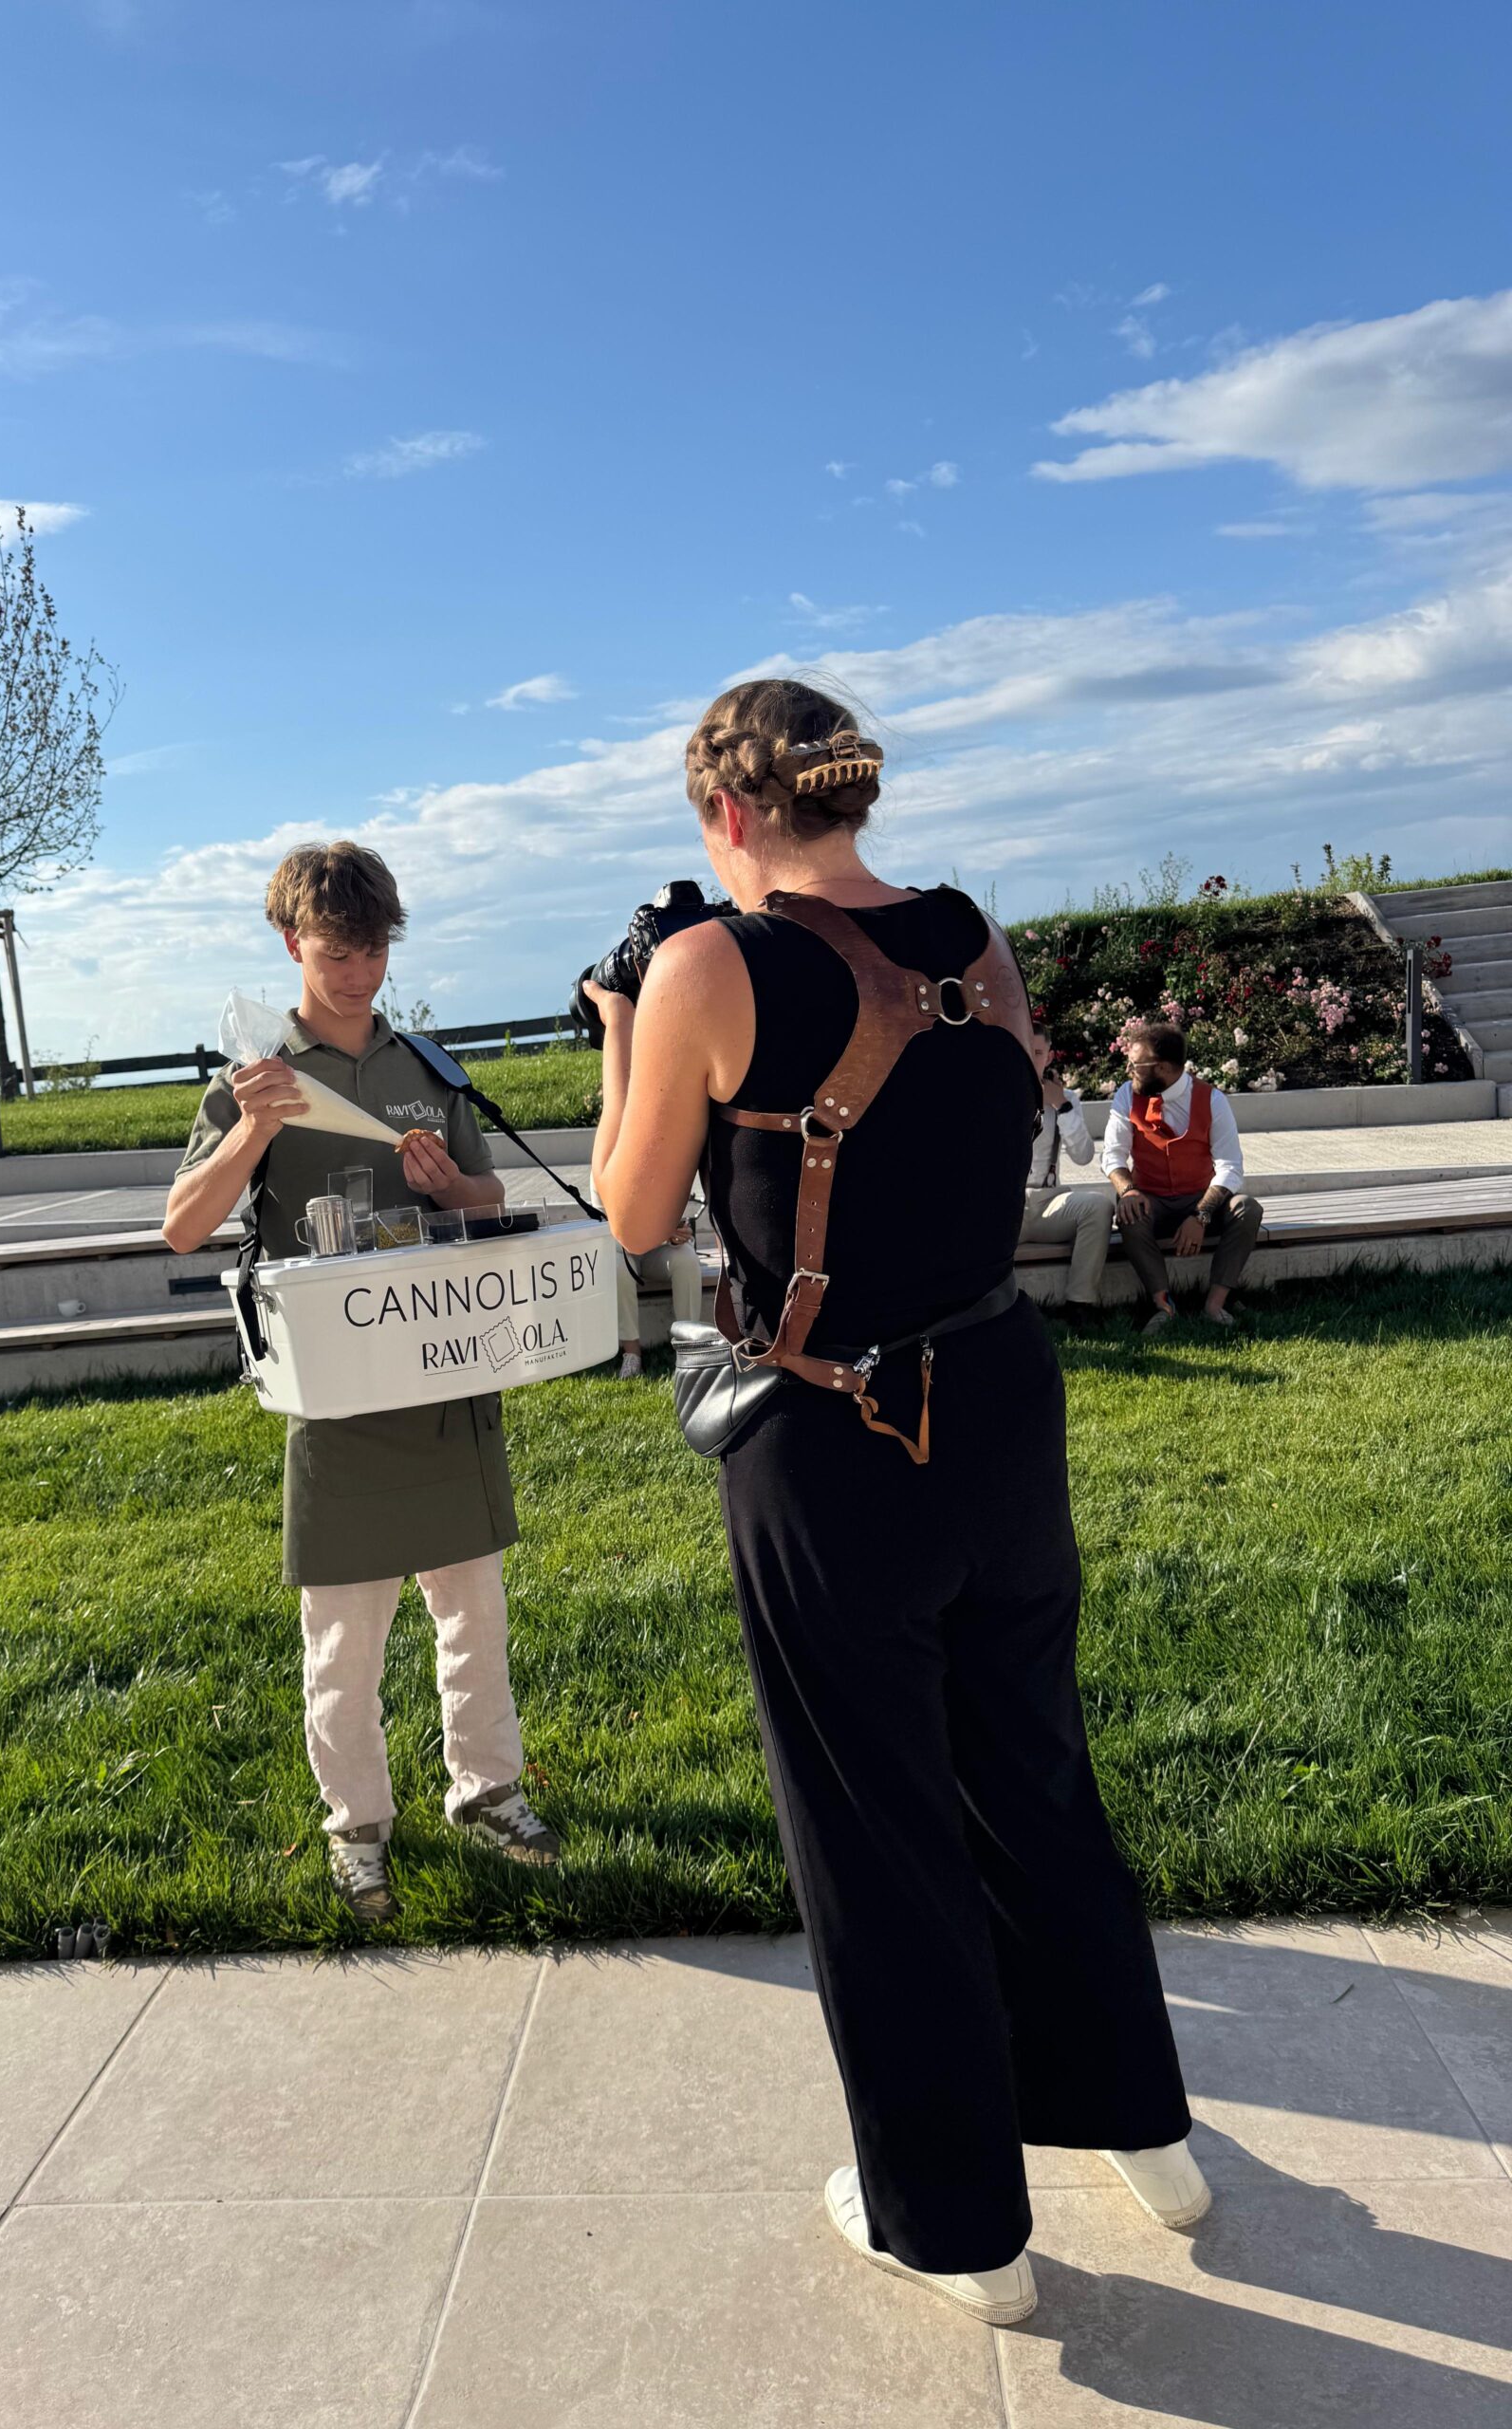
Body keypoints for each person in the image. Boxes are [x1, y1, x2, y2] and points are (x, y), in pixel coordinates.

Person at [587, 678, 1202, 2327]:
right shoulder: (968, 931)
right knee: (1034, 1772)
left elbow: (634, 1213)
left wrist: (623, 1022)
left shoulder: (709, 964)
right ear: (847, 791)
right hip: (1000, 1396)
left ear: (727, 812)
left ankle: (957, 2227)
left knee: (876, 1828)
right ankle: (1142, 2128)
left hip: (836, 1431)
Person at [162, 841, 561, 1923]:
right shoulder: (255, 1080)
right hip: (337, 1397)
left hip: (445, 1379)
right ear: (290, 942)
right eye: (338, 952)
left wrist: (453, 1186)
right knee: (343, 1637)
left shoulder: (427, 1070)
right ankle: (358, 1828)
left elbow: (490, 1201)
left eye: (376, 950)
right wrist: (253, 1128)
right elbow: (183, 1227)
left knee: (474, 1612)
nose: (360, 973)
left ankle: (489, 1793)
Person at [1100, 1022, 1264, 1337]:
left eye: (1135, 1064)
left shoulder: (1212, 1099)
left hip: (1200, 1198)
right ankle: (1164, 1306)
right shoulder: (1126, 1095)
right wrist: (1129, 1191)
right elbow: (1112, 1155)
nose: (1128, 1071)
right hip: (1151, 1199)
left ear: (1162, 1067)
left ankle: (1215, 1304)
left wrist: (1201, 1215)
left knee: (1248, 1208)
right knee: (1129, 1213)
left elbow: (1230, 1167)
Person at [1023, 1022, 1112, 1321]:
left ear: (1049, 1057)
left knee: (1098, 1206)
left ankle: (1079, 1304)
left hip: (1049, 1201)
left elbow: (1083, 1156)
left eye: (1038, 1053)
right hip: (1008, 1206)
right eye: (1025, 1050)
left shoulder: (1067, 1099)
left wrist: (1061, 1106)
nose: (1031, 1059)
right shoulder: (998, 1095)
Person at [611, 1219, 706, 1378]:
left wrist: (678, 1233)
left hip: (657, 1249)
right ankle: (632, 1354)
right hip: (620, 1250)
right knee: (618, 1269)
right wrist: (662, 1231)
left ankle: (689, 1349)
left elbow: (673, 1218)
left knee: (687, 1258)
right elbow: (617, 1224)